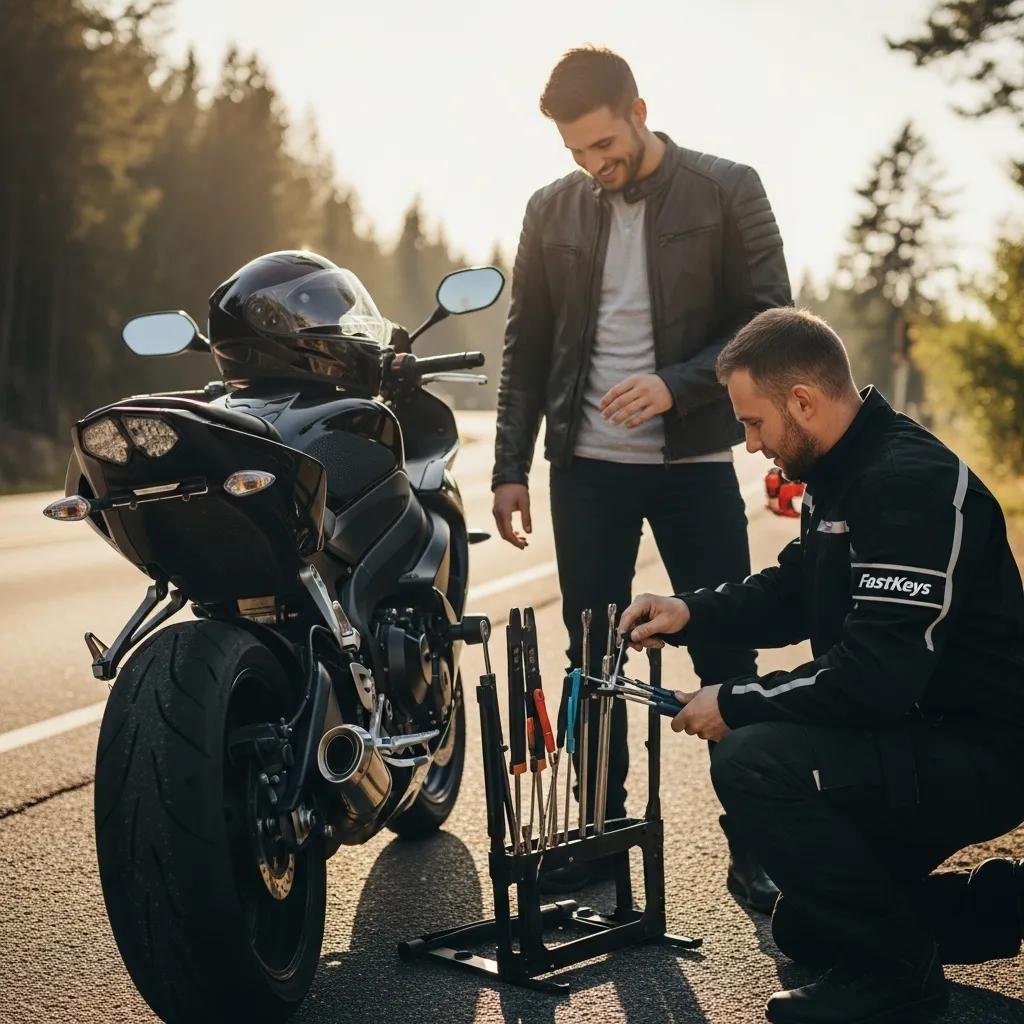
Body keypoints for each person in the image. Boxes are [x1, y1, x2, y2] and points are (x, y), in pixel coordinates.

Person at [619, 306, 1024, 1024]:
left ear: (802, 403)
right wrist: (692, 611)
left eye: (753, 424)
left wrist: (735, 700)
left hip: (979, 752)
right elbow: (798, 588)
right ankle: (998, 908)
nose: (750, 445)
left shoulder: (908, 482)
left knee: (750, 759)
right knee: (805, 931)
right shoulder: (843, 468)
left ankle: (900, 981)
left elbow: (873, 678)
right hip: (913, 737)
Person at [491, 45, 791, 904]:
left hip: (693, 459)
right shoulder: (551, 209)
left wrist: (676, 383)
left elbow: (770, 315)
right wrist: (511, 466)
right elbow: (526, 345)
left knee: (729, 648)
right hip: (584, 469)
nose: (594, 165)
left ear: (639, 108)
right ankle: (596, 843)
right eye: (577, 152)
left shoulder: (728, 187)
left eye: (603, 145)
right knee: (591, 656)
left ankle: (760, 842)